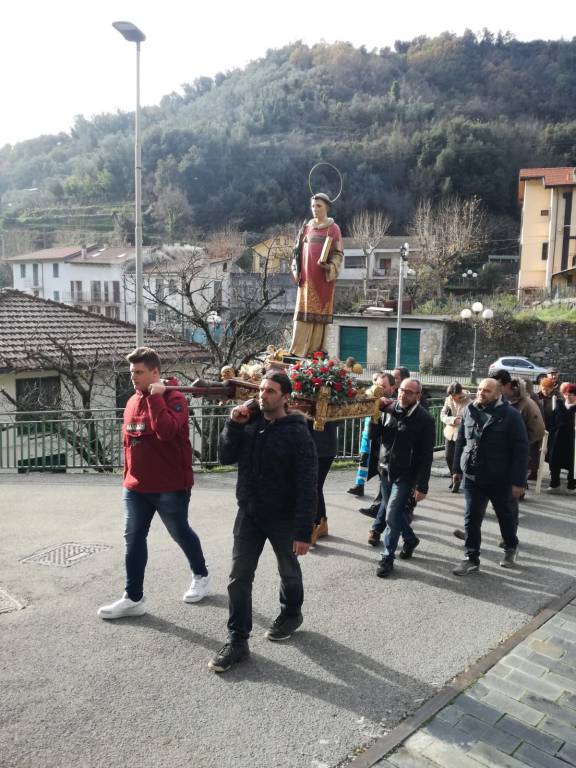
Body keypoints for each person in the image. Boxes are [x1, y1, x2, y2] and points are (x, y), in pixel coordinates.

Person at [209, 371, 317, 673]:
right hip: (249, 513)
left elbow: (308, 484)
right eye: (261, 389)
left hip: (283, 516)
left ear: (285, 398)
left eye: (270, 391)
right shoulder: (250, 423)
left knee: (288, 571)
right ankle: (238, 641)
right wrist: (233, 424)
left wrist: (303, 531)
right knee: (238, 577)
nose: (263, 395)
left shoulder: (297, 433)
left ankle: (292, 613)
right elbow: (225, 457)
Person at [98, 347, 210, 619]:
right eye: (131, 373)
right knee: (133, 539)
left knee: (179, 532)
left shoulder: (175, 399)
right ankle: (133, 598)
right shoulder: (131, 401)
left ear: (155, 373)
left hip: (170, 486)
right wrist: (127, 479)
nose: (133, 378)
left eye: (139, 372)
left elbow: (167, 432)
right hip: (136, 488)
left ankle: (201, 574)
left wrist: (156, 398)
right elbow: (129, 444)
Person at [451, 378, 528, 576]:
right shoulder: (469, 410)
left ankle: (511, 546)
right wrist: (456, 470)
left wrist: (518, 481)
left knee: (505, 516)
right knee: (471, 517)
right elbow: (461, 440)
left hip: (499, 477)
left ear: (497, 393)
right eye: (479, 389)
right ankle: (471, 557)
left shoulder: (511, 415)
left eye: (486, 390)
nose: (480, 393)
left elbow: (521, 449)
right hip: (472, 475)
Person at [367, 379, 435, 578]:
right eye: (402, 390)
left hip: (406, 474)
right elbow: (374, 436)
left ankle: (387, 557)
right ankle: (410, 539)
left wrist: (423, 485)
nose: (403, 395)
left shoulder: (425, 419)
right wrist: (374, 415)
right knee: (393, 514)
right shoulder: (388, 409)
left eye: (409, 392)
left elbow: (426, 455)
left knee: (391, 515)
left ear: (418, 396)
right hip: (385, 470)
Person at [289, 193, 343, 357]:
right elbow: (296, 252)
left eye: (318, 206)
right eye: (313, 206)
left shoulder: (333, 229)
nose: (315, 209)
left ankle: (314, 351)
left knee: (318, 315)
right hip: (305, 279)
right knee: (302, 314)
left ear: (326, 207)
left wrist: (329, 266)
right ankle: (297, 350)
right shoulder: (306, 228)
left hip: (322, 279)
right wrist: (295, 270)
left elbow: (338, 253)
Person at [348, 372, 396, 498]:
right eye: (377, 385)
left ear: (392, 387)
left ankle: (382, 500)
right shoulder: (373, 396)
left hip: (384, 443)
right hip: (368, 436)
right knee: (364, 460)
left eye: (383, 386)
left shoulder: (395, 401)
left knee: (382, 469)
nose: (379, 389)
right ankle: (360, 485)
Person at [493, 371, 545, 484]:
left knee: (517, 470)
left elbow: (538, 429)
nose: (495, 389)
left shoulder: (523, 403)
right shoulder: (510, 398)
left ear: (506, 385)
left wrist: (522, 440)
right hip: (513, 443)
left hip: (519, 443)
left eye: (498, 386)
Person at [310, 420, 338, 545]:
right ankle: (321, 523)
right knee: (315, 487)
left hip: (322, 449)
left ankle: (314, 527)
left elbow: (339, 419)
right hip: (316, 446)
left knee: (313, 487)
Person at [440, 382, 471, 493]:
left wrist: (461, 421)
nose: (452, 398)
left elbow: (470, 418)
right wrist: (452, 420)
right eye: (451, 396)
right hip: (450, 432)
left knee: (460, 458)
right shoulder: (449, 399)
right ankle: (454, 477)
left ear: (460, 393)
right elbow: (442, 415)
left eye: (454, 396)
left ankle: (458, 479)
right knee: (448, 456)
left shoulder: (469, 401)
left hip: (462, 434)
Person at [546, 382, 576, 494]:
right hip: (557, 439)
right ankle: (555, 484)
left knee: (573, 463)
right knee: (554, 461)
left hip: (572, 440)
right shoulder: (559, 407)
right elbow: (551, 422)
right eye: (567, 394)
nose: (569, 396)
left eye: (572, 394)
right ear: (564, 394)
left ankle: (571, 485)